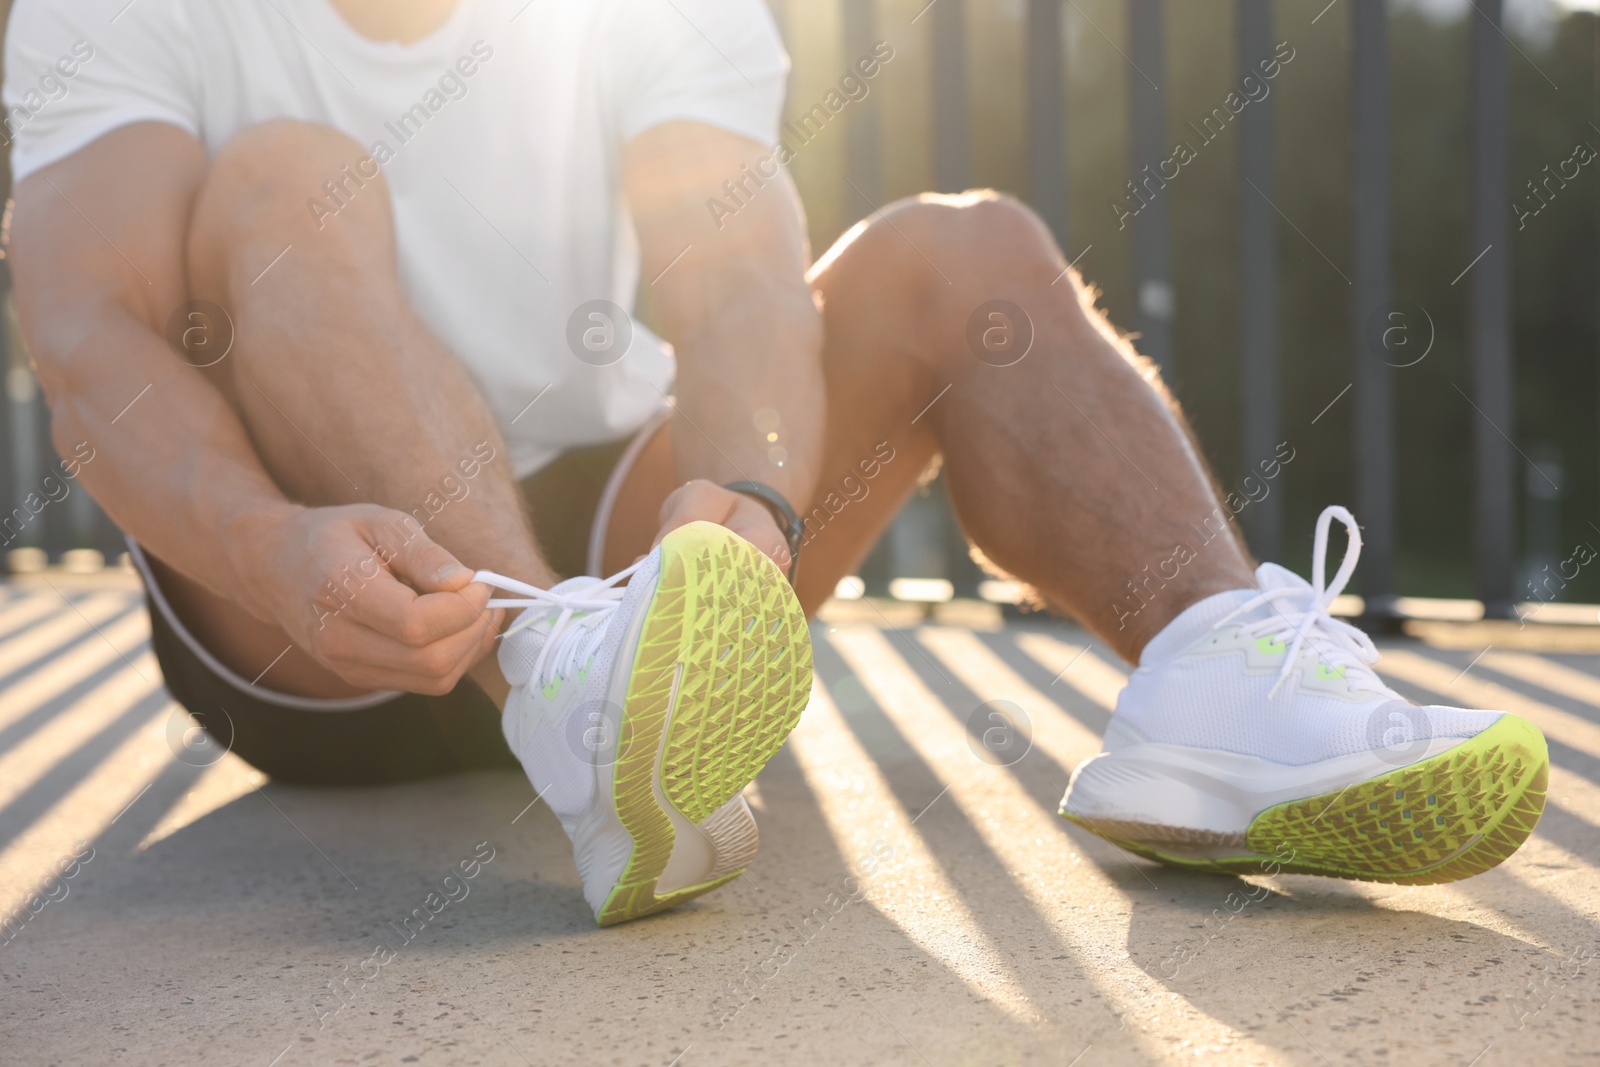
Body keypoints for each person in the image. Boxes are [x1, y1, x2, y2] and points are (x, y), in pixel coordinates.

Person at [4, 0, 1547, 926]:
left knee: (964, 257)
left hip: (616, 523)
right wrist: (266, 546)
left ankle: (1216, 688)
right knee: (282, 181)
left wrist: (741, 498)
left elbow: (736, 271)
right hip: (299, 597)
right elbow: (87, 334)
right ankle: (564, 675)